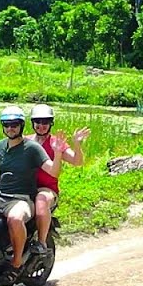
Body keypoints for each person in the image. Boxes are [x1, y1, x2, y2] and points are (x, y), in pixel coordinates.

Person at [0, 104, 65, 282]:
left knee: (15, 218)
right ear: (3, 126)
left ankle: (16, 264)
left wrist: (57, 153)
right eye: (7, 125)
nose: (10, 128)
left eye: (15, 125)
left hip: (21, 199)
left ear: (21, 126)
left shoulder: (32, 148)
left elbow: (53, 172)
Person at [27, 103, 89, 257]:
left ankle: (41, 243)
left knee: (41, 201)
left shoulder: (56, 143)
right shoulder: (25, 141)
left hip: (45, 189)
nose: (41, 126)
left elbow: (77, 161)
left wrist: (76, 144)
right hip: (23, 187)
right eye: (38, 122)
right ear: (32, 123)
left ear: (51, 124)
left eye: (45, 122)